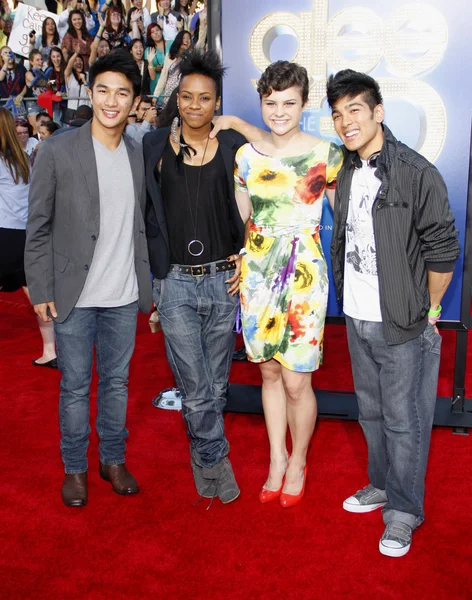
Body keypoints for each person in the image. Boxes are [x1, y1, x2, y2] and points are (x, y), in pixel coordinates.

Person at [326, 69, 460, 556]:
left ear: (378, 112)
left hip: (402, 322)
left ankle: (404, 511)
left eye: (355, 110)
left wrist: (427, 310)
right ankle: (382, 484)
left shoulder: (417, 172)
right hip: (356, 317)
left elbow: (443, 252)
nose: (346, 122)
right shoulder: (345, 168)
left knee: (405, 422)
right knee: (372, 413)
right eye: (337, 114)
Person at [25, 50, 152, 508]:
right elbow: (38, 226)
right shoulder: (58, 149)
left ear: (134, 101)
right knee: (75, 387)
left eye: (122, 93)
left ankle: (112, 460)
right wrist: (41, 288)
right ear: (90, 94)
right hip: (72, 296)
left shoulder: (137, 154)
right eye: (103, 91)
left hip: (124, 294)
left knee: (117, 384)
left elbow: (140, 224)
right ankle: (75, 467)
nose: (111, 101)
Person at [232, 61, 343, 508]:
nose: (279, 111)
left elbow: (346, 218)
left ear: (304, 104)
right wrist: (238, 259)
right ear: (261, 102)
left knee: (298, 381)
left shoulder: (326, 155)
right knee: (269, 372)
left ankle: (299, 461)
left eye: (289, 103)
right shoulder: (246, 157)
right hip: (258, 274)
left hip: (304, 276)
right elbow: (240, 220)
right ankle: (276, 458)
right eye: (271, 102)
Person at [143, 48, 245, 505]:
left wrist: (247, 255)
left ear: (217, 102)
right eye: (186, 96)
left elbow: (259, 202)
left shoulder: (234, 146)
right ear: (177, 99)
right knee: (197, 387)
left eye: (205, 98)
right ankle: (214, 459)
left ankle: (203, 453)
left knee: (216, 386)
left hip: (223, 280)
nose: (194, 105)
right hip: (176, 283)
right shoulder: (153, 146)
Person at [0, 107, 57, 368]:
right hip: (25, 234)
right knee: (37, 293)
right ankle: (50, 351)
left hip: (4, 234)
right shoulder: (22, 158)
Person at [152, 30, 191, 106]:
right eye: (184, 38)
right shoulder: (169, 56)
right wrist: (156, 95)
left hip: (184, 93)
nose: (186, 40)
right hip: (169, 94)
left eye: (189, 38)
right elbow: (163, 77)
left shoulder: (191, 57)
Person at [64, 51, 90, 121]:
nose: (78, 62)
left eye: (80, 60)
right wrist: (76, 53)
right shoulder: (69, 76)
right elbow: (68, 66)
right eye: (75, 61)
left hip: (85, 110)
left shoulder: (88, 75)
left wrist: (84, 81)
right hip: (72, 111)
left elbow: (90, 92)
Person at [0, 46, 27, 115]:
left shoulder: (21, 68)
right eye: (5, 53)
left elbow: (27, 84)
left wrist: (22, 94)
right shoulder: (0, 69)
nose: (8, 55)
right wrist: (6, 63)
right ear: (1, 57)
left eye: (10, 53)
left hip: (17, 104)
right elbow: (1, 78)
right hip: (3, 104)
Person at [144, 23, 168, 99]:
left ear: (161, 31)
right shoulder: (148, 50)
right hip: (156, 82)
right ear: (150, 36)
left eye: (157, 30)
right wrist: (155, 68)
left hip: (170, 80)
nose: (156, 33)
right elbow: (151, 75)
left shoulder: (172, 43)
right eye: (152, 32)